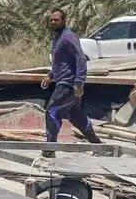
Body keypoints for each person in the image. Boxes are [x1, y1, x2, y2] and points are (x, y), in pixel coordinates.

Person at [42, 8, 100, 148]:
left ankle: (49, 149)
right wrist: (51, 75)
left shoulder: (68, 36)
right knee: (75, 116)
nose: (53, 22)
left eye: (56, 19)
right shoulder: (58, 37)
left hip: (68, 84)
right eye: (51, 20)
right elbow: (61, 61)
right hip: (63, 82)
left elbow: (80, 58)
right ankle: (98, 145)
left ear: (64, 20)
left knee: (51, 112)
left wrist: (79, 82)